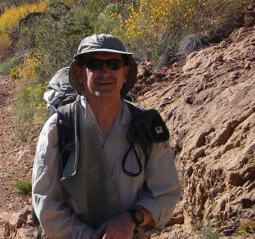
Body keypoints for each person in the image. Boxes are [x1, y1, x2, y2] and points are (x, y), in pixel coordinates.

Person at [32, 34, 181, 239]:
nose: (105, 72)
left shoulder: (144, 125)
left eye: (113, 64)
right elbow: (46, 204)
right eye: (94, 64)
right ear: (80, 72)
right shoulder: (59, 128)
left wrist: (131, 219)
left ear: (125, 72)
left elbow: (166, 193)